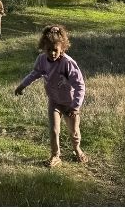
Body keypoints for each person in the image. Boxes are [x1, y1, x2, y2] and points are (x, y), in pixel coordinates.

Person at [14, 24, 88, 167]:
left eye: (56, 50)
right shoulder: (42, 60)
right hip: (54, 101)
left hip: (69, 103)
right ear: (43, 47)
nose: (52, 53)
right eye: (49, 50)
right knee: (54, 130)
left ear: (62, 48)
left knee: (74, 132)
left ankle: (77, 149)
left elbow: (80, 85)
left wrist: (75, 106)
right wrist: (22, 85)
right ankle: (55, 156)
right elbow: (35, 73)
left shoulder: (68, 63)